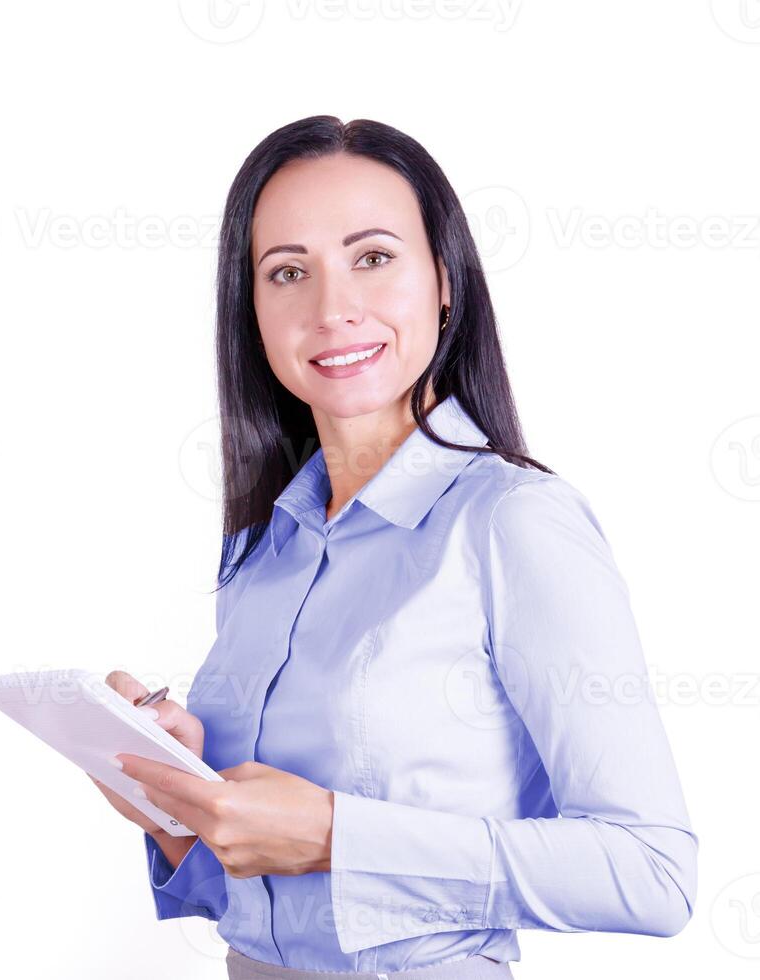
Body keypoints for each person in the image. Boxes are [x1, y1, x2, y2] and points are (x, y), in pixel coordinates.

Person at [91, 116, 697, 979]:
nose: (332, 308)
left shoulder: (514, 522)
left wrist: (342, 836)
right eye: (288, 273)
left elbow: (652, 874)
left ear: (445, 280)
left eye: (373, 258)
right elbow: (268, 895)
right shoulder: (266, 547)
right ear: (252, 311)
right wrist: (174, 797)